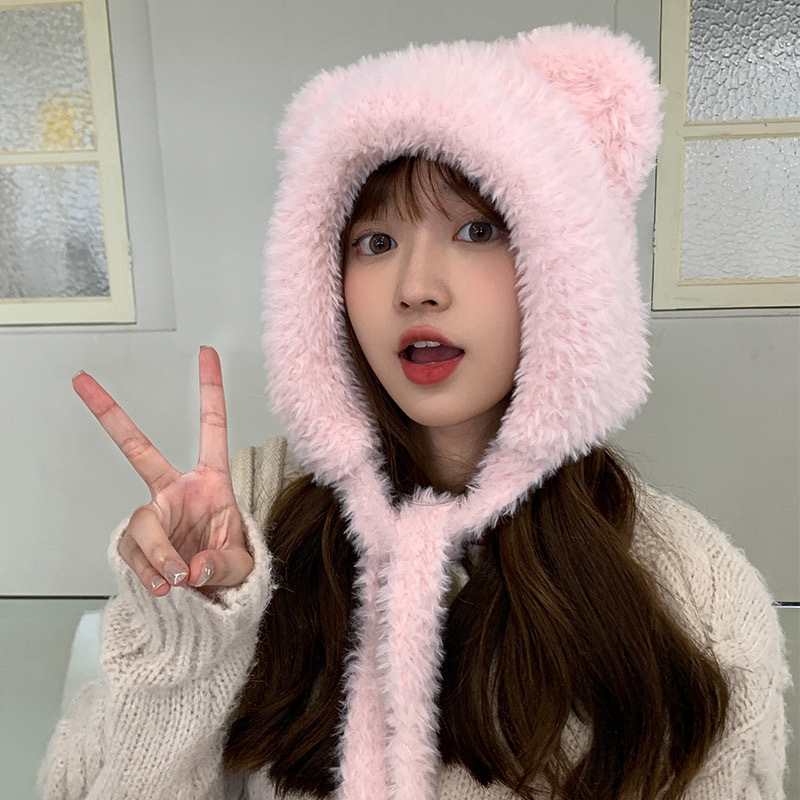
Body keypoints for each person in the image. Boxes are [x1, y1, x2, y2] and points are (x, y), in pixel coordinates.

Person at [39, 24, 790, 800]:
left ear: (570, 268)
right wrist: (188, 636)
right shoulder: (247, 516)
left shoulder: (694, 592)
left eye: (478, 230)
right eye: (375, 241)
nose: (416, 287)